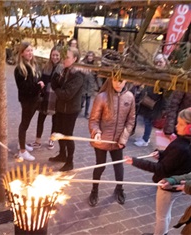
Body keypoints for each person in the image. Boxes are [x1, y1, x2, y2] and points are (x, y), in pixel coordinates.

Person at [125, 107, 191, 235]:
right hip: (175, 184)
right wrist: (161, 154)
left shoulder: (181, 147)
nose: (176, 126)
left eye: (181, 124)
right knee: (165, 213)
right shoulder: (184, 142)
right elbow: (173, 159)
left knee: (161, 216)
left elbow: (160, 169)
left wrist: (135, 161)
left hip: (168, 185)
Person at [88, 78, 135, 206]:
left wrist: (123, 139)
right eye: (115, 80)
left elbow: (130, 121)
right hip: (102, 140)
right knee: (100, 166)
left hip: (118, 141)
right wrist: (96, 132)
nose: (118, 83)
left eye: (121, 80)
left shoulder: (130, 97)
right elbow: (94, 120)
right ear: (111, 79)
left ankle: (119, 189)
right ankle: (94, 190)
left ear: (126, 81)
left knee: (119, 166)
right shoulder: (102, 97)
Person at [48, 47, 84, 172]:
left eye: (67, 57)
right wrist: (58, 88)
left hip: (70, 110)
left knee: (68, 136)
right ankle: (62, 154)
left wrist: (57, 90)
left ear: (75, 59)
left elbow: (67, 94)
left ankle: (70, 161)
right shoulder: (64, 70)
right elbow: (53, 83)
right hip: (60, 108)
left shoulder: (78, 75)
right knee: (58, 132)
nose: (64, 59)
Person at [14, 42, 44, 162]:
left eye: (31, 50)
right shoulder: (20, 69)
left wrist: (39, 85)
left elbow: (36, 79)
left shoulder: (34, 65)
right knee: (24, 124)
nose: (30, 53)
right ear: (22, 53)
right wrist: (39, 86)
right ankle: (22, 151)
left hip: (35, 99)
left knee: (26, 124)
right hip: (27, 101)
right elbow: (24, 88)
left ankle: (21, 144)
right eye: (27, 51)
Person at [27, 46, 62, 150]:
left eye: (57, 55)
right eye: (53, 55)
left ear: (60, 56)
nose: (54, 57)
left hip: (56, 97)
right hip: (45, 96)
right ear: (50, 55)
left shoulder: (62, 68)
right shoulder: (46, 66)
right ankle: (38, 141)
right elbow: (42, 78)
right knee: (40, 119)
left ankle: (52, 139)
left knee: (55, 120)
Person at [80, 51, 99, 119]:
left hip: (91, 84)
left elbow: (97, 76)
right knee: (82, 98)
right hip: (84, 83)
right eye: (89, 56)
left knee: (88, 99)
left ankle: (86, 113)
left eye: (91, 56)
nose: (90, 57)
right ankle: (80, 107)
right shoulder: (83, 64)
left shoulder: (95, 65)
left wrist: (99, 85)